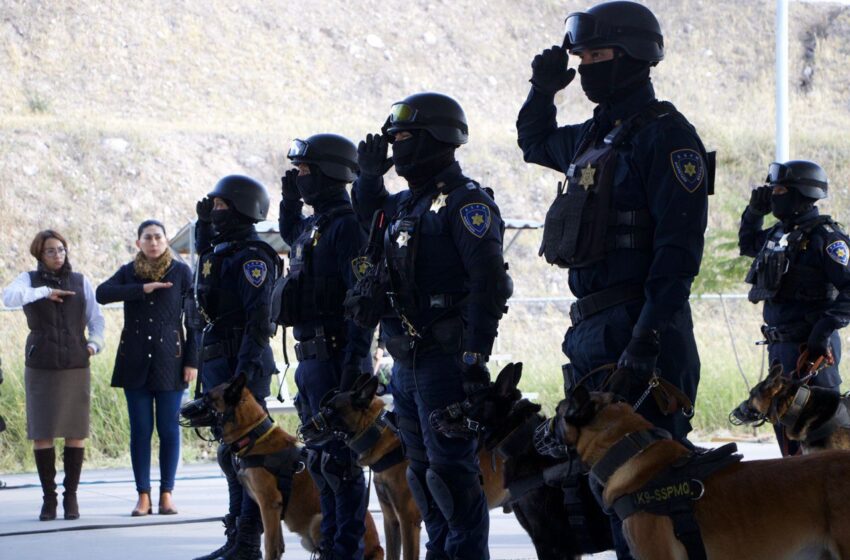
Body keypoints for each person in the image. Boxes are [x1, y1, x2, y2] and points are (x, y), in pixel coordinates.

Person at [516, 2, 710, 557]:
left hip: (640, 328)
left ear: (634, 57)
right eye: (583, 58)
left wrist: (644, 346)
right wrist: (542, 89)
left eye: (598, 56)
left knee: (658, 495)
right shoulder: (591, 137)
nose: (588, 69)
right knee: (609, 497)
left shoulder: (667, 137)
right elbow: (534, 142)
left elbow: (677, 257)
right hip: (591, 329)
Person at [353, 92, 512, 560]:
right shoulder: (407, 205)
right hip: (406, 363)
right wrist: (366, 176)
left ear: (435, 139)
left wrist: (473, 357)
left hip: (445, 362)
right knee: (422, 478)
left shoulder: (466, 204)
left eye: (402, 139)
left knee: (451, 478)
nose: (395, 148)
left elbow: (488, 286)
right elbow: (370, 215)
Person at [279, 133, 371, 560]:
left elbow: (360, 299)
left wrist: (352, 369)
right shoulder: (315, 225)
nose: (298, 179)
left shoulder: (348, 226)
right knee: (319, 462)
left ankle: (345, 549)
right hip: (310, 361)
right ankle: (332, 546)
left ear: (330, 173)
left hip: (336, 360)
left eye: (303, 172)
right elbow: (292, 235)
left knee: (341, 465)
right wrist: (288, 201)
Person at [739, 160, 850, 456]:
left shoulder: (826, 238)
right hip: (780, 349)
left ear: (800, 193)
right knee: (788, 439)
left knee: (823, 442)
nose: (773, 195)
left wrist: (823, 330)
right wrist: (753, 213)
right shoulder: (778, 235)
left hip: (811, 350)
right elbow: (748, 243)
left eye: (779, 189)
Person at [192, 176, 278, 560]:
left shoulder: (253, 257)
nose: (215, 213)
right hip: (217, 366)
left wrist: (240, 380)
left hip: (241, 368)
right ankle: (236, 538)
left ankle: (247, 543)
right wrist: (202, 230)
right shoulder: (220, 251)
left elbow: (258, 320)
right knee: (230, 457)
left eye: (222, 207)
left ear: (243, 209)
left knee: (249, 456)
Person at [96, 220, 199, 516]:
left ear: (166, 241)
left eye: (158, 237)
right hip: (135, 360)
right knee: (140, 430)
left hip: (172, 361)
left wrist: (192, 361)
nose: (153, 242)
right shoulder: (129, 271)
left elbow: (193, 320)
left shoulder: (181, 272)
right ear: (138, 242)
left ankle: (167, 492)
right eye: (147, 238)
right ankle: (143, 495)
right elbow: (103, 293)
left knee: (169, 430)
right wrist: (142, 289)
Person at [2, 230, 105, 521]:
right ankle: (49, 498)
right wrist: (45, 292)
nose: (58, 255)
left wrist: (94, 345)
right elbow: (8, 298)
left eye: (61, 249)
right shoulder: (28, 281)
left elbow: (97, 319)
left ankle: (71, 496)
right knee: (42, 433)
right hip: (41, 365)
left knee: (76, 432)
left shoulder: (81, 281)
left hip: (75, 363)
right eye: (50, 251)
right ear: (39, 254)